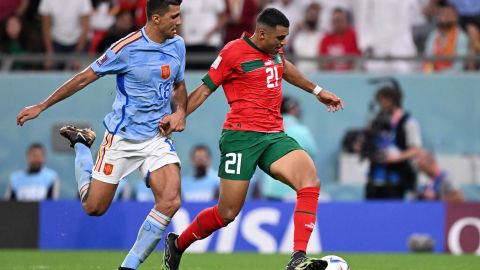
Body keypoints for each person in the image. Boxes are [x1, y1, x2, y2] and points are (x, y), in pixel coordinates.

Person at [161, 8, 343, 270]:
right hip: (240, 137)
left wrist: (317, 90)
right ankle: (178, 245)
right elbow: (203, 91)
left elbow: (285, 68)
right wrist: (179, 114)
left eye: (285, 38)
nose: (283, 44)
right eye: (280, 38)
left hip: (273, 136)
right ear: (261, 33)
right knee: (227, 212)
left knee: (309, 181)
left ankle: (298, 258)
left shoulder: (274, 52)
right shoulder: (232, 52)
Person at [16, 1, 186, 269]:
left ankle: (128, 266)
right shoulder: (124, 49)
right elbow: (84, 77)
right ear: (155, 19)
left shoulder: (177, 45)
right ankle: (82, 146)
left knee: (171, 200)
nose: (179, 21)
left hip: (156, 138)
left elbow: (179, 85)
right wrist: (42, 105)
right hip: (121, 139)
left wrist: (180, 112)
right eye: (174, 16)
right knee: (94, 208)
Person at [365, 85, 422, 200]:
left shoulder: (407, 122)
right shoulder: (377, 121)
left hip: (396, 181)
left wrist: (396, 157)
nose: (381, 105)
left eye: (383, 101)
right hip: (375, 179)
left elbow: (416, 150)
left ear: (392, 100)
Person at [261, 96, 318, 201]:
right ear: (293, 109)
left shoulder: (267, 129)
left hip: (271, 188)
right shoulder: (302, 131)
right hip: (293, 188)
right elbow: (313, 153)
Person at [39, 0, 93, 70]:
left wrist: (78, 54)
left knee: (81, 75)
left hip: (78, 41)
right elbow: (46, 27)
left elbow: (85, 28)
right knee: (51, 70)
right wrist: (50, 53)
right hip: (55, 41)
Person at [423, 3, 469, 72]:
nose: (444, 18)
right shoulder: (433, 35)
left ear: (455, 17)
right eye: (441, 15)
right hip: (433, 77)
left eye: (448, 15)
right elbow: (428, 57)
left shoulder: (461, 37)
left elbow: (459, 65)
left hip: (453, 78)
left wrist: (442, 75)